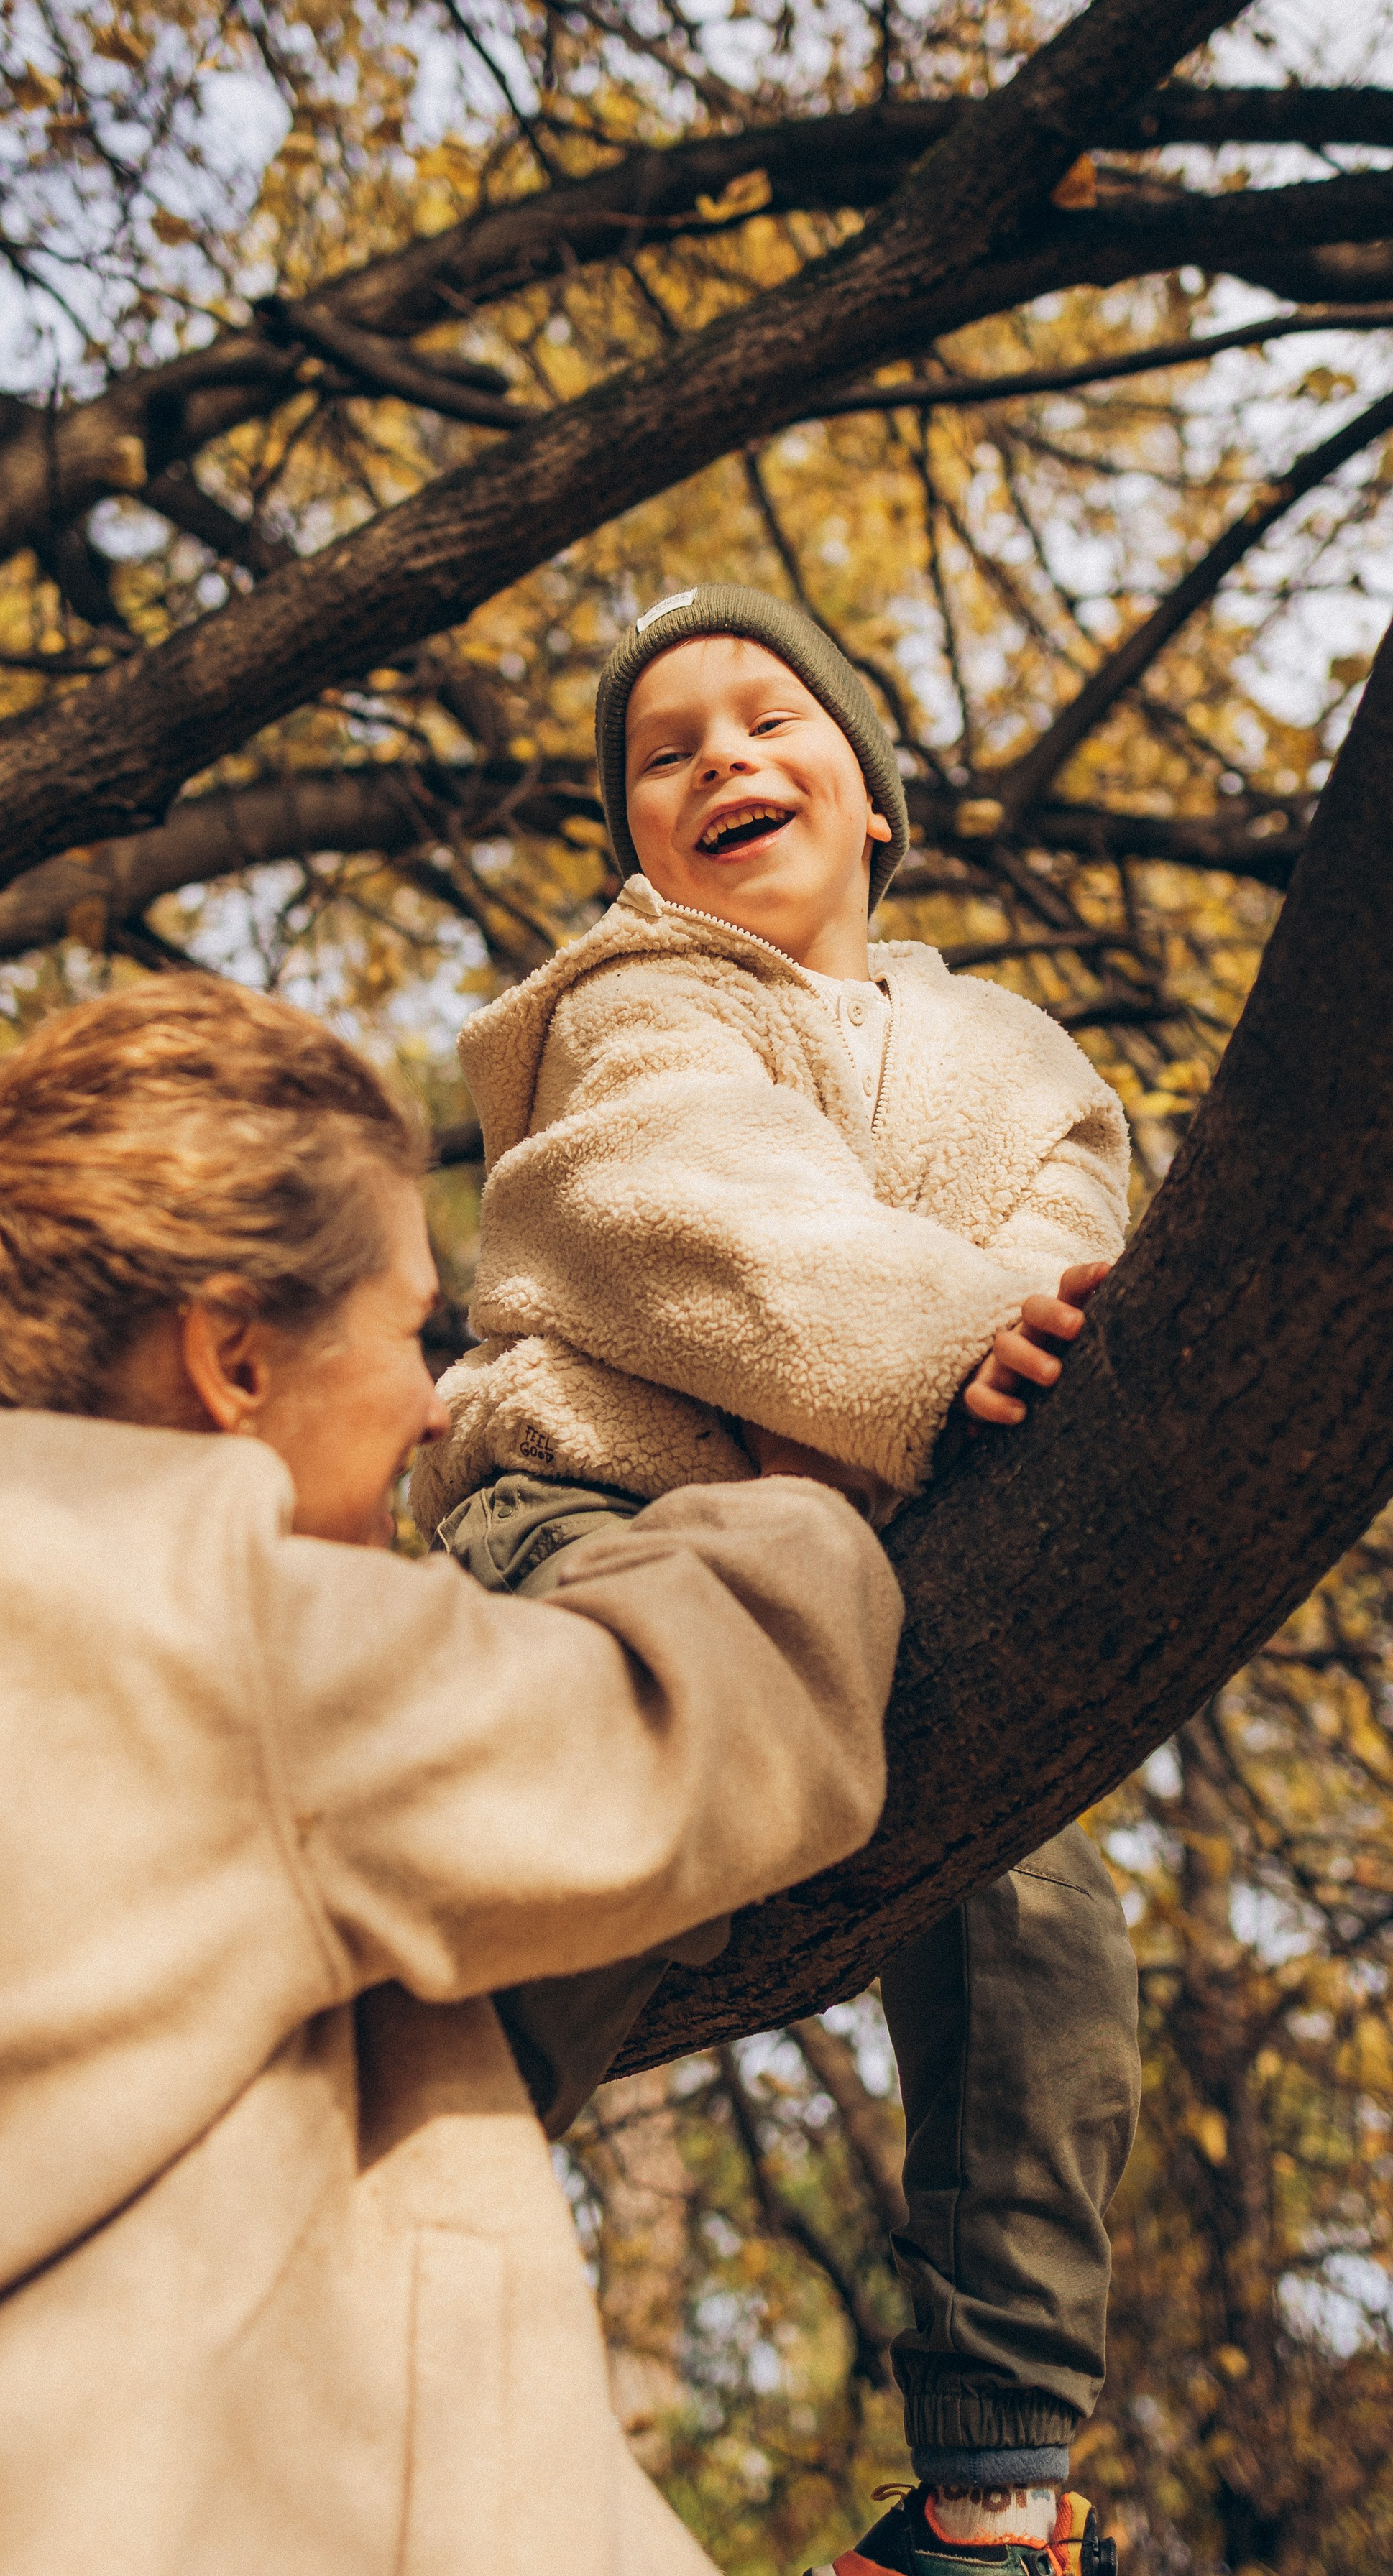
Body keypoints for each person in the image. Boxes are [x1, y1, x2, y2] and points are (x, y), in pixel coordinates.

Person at [0, 974, 901, 2576]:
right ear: (233, 1361)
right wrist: (800, 1503)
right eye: (414, 1329)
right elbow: (679, 1732)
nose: (433, 1405)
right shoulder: (194, 1623)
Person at [409, 586, 1139, 2576]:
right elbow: (691, 1217)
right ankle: (364, 2240)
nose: (724, 759)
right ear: (642, 838)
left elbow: (1075, 1248)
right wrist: (939, 1337)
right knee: (606, 1808)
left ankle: (993, 2491)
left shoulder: (1021, 1055)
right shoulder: (641, 996)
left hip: (885, 1597)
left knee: (1052, 1904)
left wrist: (1000, 1329)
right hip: (600, 1520)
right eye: (669, 751)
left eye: (767, 719)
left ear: (875, 794)